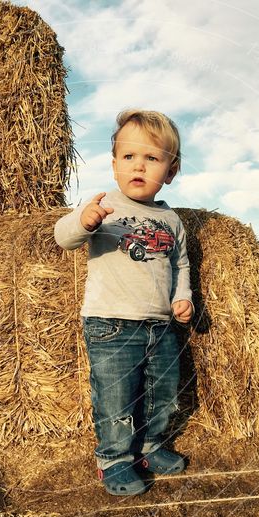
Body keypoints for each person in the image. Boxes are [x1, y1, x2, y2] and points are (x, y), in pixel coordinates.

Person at [54, 109, 193, 496]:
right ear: (114, 165)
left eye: (152, 158)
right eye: (129, 157)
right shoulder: (103, 206)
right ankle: (114, 460)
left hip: (160, 324)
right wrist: (84, 221)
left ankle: (151, 447)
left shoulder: (172, 221)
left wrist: (183, 298)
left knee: (161, 393)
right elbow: (63, 236)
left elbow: (180, 263)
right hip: (110, 323)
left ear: (171, 170)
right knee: (115, 395)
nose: (139, 165)